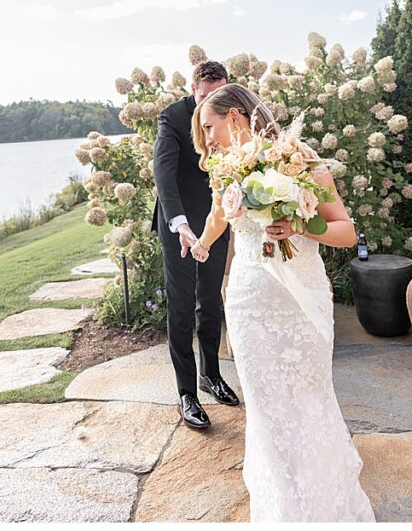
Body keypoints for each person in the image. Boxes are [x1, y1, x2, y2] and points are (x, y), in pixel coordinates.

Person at [189, 83, 374, 522]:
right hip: (250, 299)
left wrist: (300, 226)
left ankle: (324, 506)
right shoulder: (224, 168)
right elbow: (220, 214)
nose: (209, 139)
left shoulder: (299, 157)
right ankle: (283, 510)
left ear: (236, 116)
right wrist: (200, 243)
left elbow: (345, 231)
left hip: (299, 298)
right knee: (268, 410)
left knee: (310, 401)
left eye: (210, 127)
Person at [151, 60, 241, 429]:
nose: (211, 104)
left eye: (218, 95)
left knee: (210, 298)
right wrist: (181, 225)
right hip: (180, 225)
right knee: (182, 305)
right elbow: (163, 173)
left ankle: (211, 375)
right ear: (193, 90)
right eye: (205, 97)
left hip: (217, 220)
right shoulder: (172, 117)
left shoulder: (235, 115)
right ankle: (186, 392)